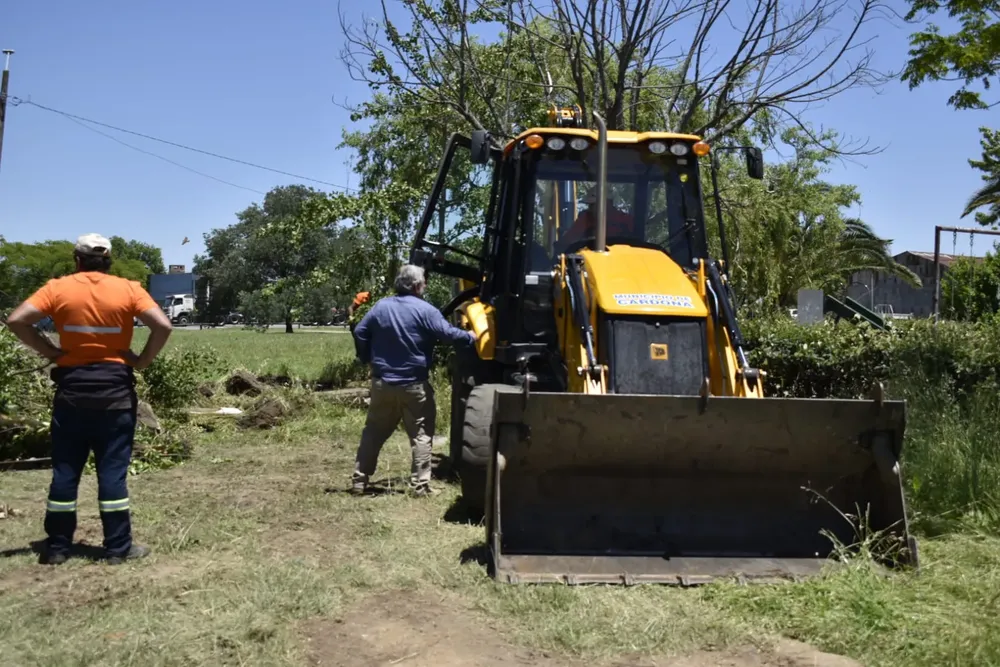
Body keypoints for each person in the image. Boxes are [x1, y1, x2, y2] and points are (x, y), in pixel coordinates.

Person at [5, 233, 174, 565]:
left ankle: (57, 548)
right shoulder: (128, 289)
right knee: (112, 474)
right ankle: (117, 548)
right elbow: (163, 326)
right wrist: (141, 361)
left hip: (72, 392)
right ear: (108, 260)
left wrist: (52, 352)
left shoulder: (58, 288)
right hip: (115, 394)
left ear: (77, 259)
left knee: (65, 472)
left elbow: (16, 320)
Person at [350, 265, 477, 496]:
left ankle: (359, 481)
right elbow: (448, 334)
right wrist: (470, 337)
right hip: (414, 385)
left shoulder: (381, 307)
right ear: (418, 286)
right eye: (424, 282)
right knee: (421, 435)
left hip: (382, 383)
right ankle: (419, 486)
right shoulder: (426, 310)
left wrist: (367, 358)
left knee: (374, 432)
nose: (425, 285)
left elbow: (360, 331)